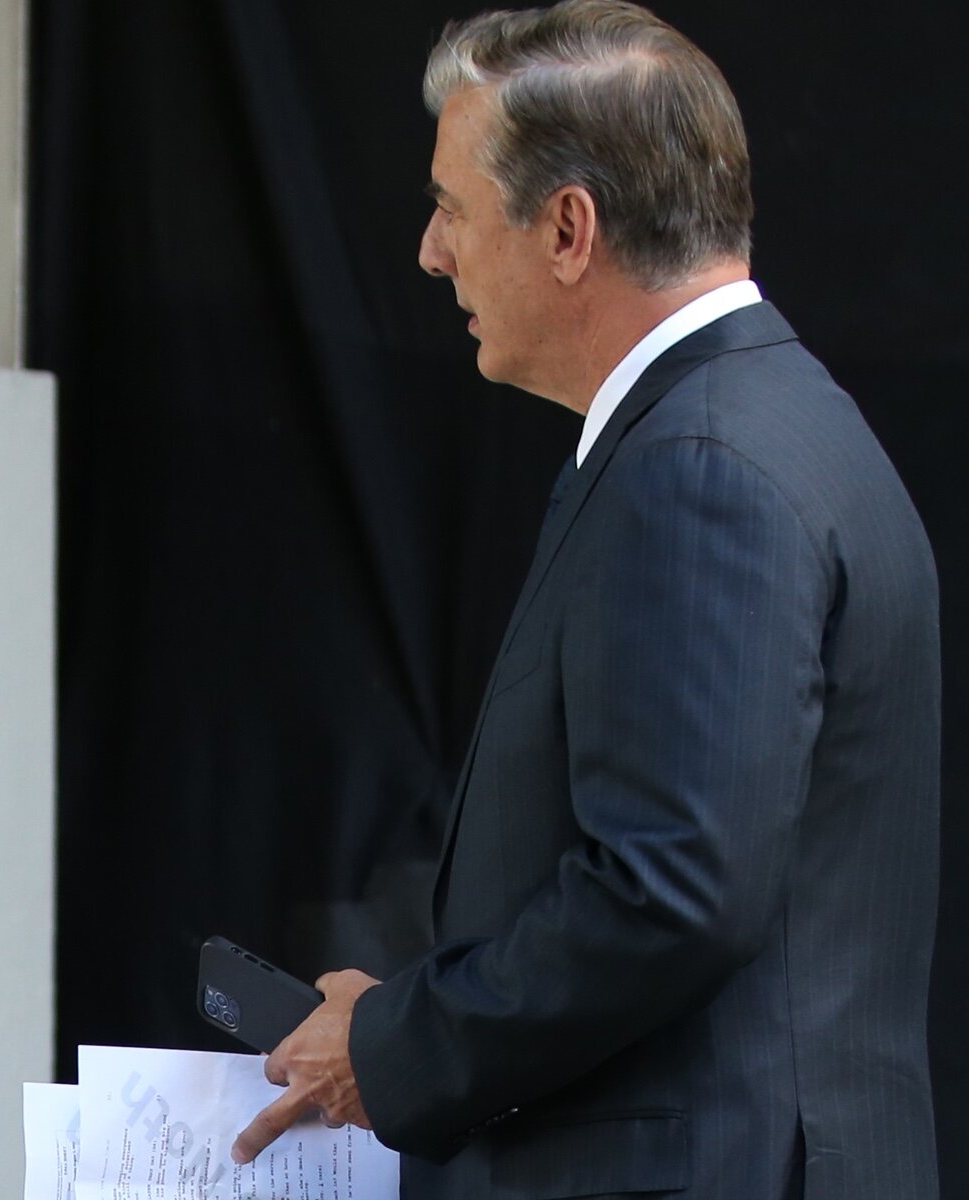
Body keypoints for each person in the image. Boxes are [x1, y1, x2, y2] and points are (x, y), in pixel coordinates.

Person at [228, 3, 941, 1197]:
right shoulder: (772, 422)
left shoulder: (696, 466)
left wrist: (393, 1043)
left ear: (566, 229)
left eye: (451, 208)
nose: (430, 252)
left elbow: (669, 893)